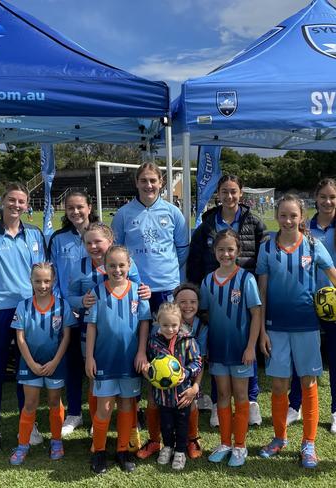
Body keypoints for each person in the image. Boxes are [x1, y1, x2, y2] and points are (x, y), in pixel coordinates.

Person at [257, 194, 336, 468]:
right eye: (283, 215)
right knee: (278, 384)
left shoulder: (313, 244)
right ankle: (279, 438)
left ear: (301, 217)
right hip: (276, 328)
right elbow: (261, 292)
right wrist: (262, 331)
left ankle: (308, 443)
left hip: (307, 326)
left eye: (293, 215)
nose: (288, 220)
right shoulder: (267, 248)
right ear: (276, 216)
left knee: (309, 383)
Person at [111, 162, 189, 460]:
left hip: (167, 290)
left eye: (153, 180)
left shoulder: (172, 212)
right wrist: (133, 281)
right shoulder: (123, 214)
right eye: (143, 180)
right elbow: (117, 252)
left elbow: (181, 249)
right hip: (135, 290)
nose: (149, 185)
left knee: (171, 349)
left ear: (162, 181)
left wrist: (169, 277)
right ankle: (141, 406)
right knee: (140, 348)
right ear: (136, 182)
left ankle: (170, 404)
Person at [0, 182, 47, 456]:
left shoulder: (36, 234)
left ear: (27, 205)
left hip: (29, 311)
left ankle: (27, 425)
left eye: (22, 201)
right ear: (2, 202)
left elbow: (45, 274)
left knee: (25, 372)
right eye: (12, 200)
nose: (16, 205)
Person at [286, 178, 336, 434]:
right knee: (303, 356)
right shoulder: (304, 228)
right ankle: (295, 405)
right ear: (315, 199)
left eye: (332, 197)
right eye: (323, 197)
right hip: (307, 303)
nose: (328, 201)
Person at [187, 174, 266, 428]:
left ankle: (251, 401)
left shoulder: (253, 221)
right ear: (218, 194)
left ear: (241, 193)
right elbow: (196, 258)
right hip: (215, 289)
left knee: (245, 348)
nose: (229, 196)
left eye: (233, 191)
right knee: (218, 348)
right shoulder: (208, 223)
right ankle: (218, 403)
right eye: (224, 191)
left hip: (244, 288)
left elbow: (264, 254)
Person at [67, 222, 150, 451]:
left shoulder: (123, 264)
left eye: (98, 241)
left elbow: (139, 290)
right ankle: (98, 427)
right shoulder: (79, 267)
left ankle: (131, 431)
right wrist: (81, 301)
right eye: (88, 242)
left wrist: (147, 291)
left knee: (127, 386)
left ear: (110, 242)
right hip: (93, 331)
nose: (94, 246)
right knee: (95, 379)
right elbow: (69, 296)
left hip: (126, 336)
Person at [85, 245, 151, 474]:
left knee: (126, 404)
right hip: (104, 360)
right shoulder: (97, 292)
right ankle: (99, 451)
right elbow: (91, 327)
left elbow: (144, 323)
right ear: (105, 267)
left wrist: (142, 352)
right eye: (112, 265)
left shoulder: (139, 291)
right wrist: (89, 357)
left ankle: (123, 450)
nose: (117, 269)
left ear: (129, 266)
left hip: (129, 360)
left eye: (121, 265)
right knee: (104, 407)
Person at [200, 229, 262, 468]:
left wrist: (250, 347)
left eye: (230, 249)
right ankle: (225, 442)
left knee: (241, 396)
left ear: (238, 251)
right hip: (218, 350)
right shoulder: (208, 281)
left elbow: (256, 314)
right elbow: (204, 313)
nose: (226, 254)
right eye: (221, 249)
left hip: (241, 351)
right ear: (214, 252)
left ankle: (240, 445)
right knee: (223, 395)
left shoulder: (246, 279)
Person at [9, 262, 75, 465]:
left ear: (53, 281)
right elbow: (20, 338)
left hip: (54, 364)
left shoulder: (62, 305)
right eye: (38, 281)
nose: (42, 285)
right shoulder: (24, 305)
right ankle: (23, 444)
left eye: (47, 280)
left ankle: (56, 441)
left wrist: (55, 361)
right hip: (30, 364)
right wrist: (31, 363)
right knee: (30, 403)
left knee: (55, 401)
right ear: (31, 281)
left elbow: (66, 337)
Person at [48, 190, 97, 436]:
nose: (76, 212)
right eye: (70, 208)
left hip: (99, 314)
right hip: (70, 312)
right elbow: (53, 277)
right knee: (74, 364)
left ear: (89, 207)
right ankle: (75, 412)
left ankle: (98, 415)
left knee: (98, 364)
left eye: (80, 207)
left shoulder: (102, 233)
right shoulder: (57, 239)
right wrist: (65, 308)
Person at [145, 302, 202, 471]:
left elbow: (197, 362)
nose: (170, 329)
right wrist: (148, 369)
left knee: (182, 423)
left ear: (180, 323)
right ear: (158, 323)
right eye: (165, 325)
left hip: (182, 394)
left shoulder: (188, 341)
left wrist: (186, 372)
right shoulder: (153, 342)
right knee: (166, 423)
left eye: (174, 325)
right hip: (162, 395)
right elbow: (149, 364)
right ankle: (168, 446)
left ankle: (180, 451)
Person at [173, 283, 208, 459]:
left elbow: (200, 360)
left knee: (190, 401)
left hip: (190, 376)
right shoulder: (166, 323)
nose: (188, 306)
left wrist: (195, 387)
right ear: (174, 303)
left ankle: (192, 438)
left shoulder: (202, 327)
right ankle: (156, 440)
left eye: (192, 302)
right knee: (154, 401)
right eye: (183, 302)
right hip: (166, 377)